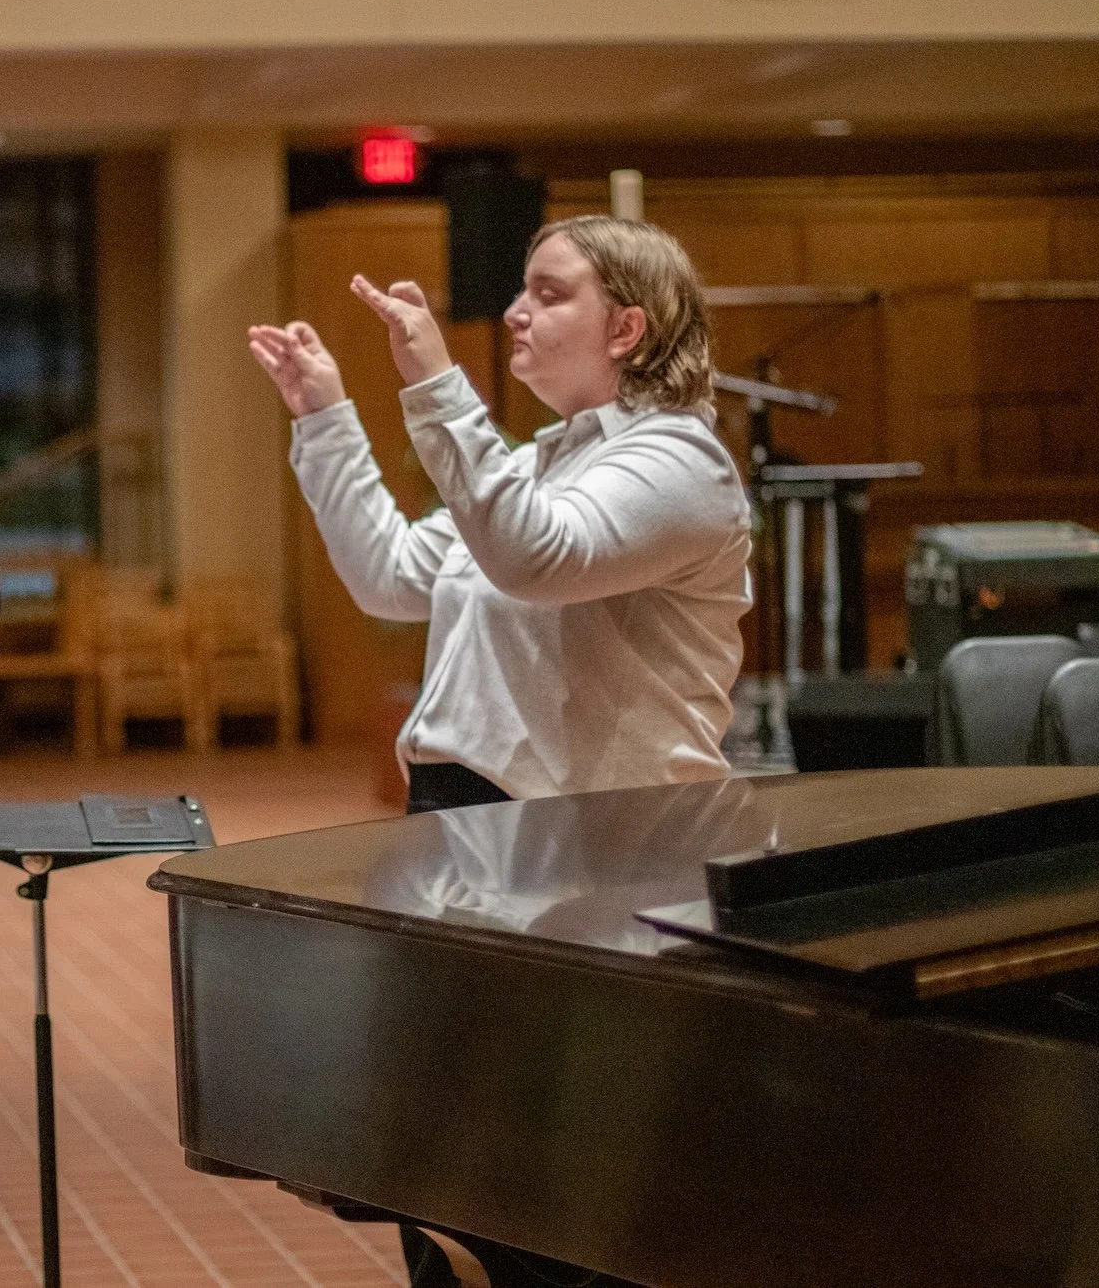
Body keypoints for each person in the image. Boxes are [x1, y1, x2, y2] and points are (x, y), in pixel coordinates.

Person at [249, 215, 751, 1288]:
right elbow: (390, 576)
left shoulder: (677, 462)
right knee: (448, 1167)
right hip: (472, 830)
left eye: (545, 291)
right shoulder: (545, 457)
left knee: (554, 1190)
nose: (516, 310)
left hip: (589, 850)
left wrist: (436, 384)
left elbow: (533, 556)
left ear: (626, 325)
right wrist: (327, 417)